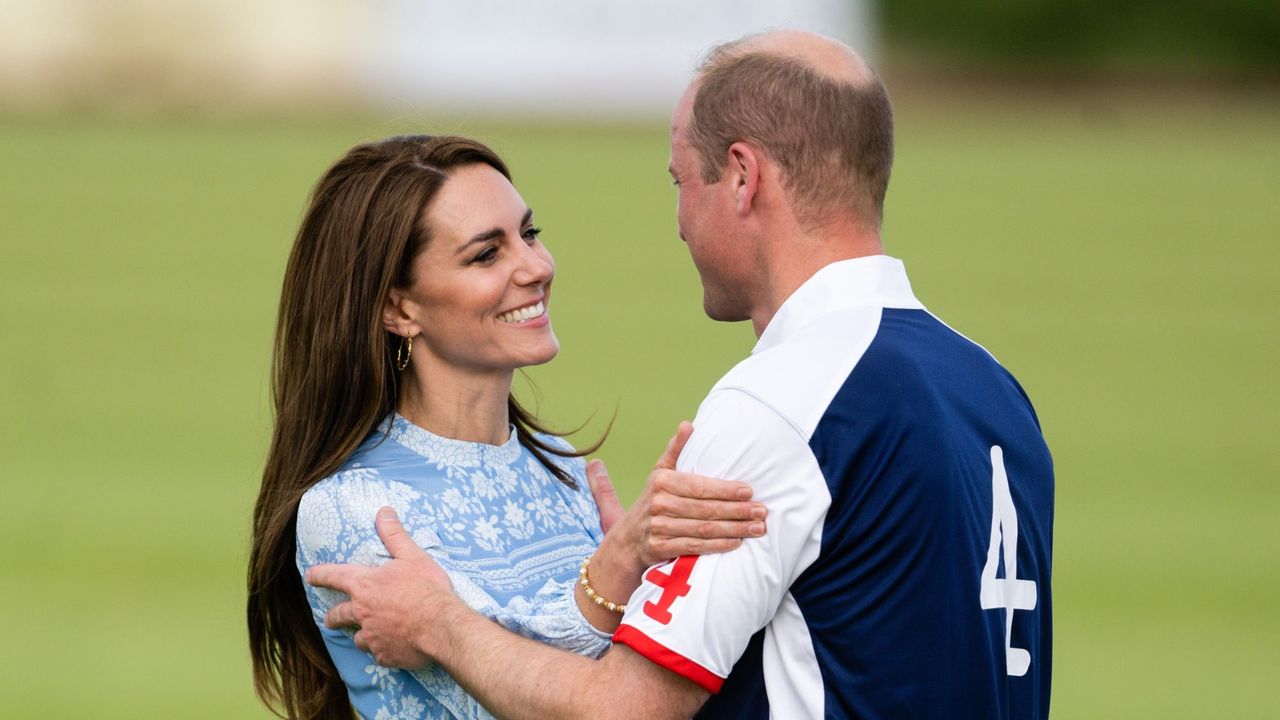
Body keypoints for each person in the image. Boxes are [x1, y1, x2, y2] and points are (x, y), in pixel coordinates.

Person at [310, 29, 1055, 719]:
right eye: (487, 251)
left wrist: (441, 626)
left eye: (680, 183)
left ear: (741, 179)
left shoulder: (778, 406)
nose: (678, 221)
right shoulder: (992, 387)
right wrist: (627, 579)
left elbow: (626, 709)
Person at [246, 135, 771, 720]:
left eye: (529, 234)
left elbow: (612, 686)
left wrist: (646, 582)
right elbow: (508, 703)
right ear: (399, 309)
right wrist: (621, 564)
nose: (536, 266)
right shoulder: (350, 508)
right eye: (485, 255)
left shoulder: (560, 465)